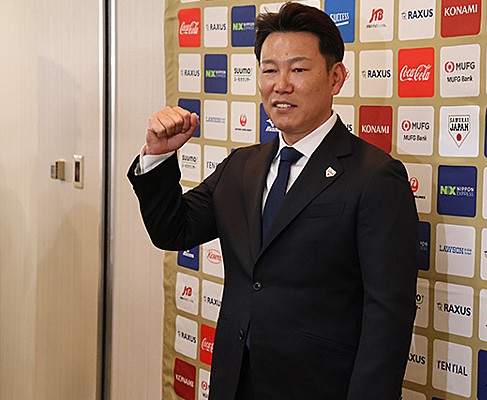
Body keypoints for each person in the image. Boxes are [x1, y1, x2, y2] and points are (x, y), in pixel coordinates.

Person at [128, 3, 419, 399]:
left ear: (335, 77)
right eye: (269, 70)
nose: (281, 85)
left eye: (298, 70)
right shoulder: (242, 166)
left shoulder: (375, 176)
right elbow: (173, 230)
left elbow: (388, 315)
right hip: (235, 382)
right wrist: (158, 157)